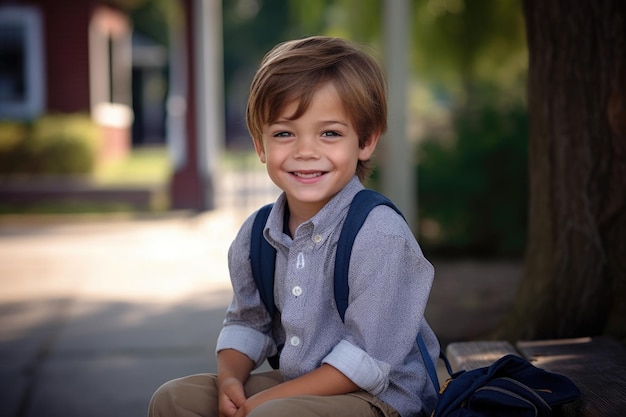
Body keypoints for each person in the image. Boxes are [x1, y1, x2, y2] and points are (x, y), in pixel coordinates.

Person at [148, 35, 440, 417]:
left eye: (330, 133)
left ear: (365, 141)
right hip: (299, 384)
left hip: (381, 397)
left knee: (271, 415)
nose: (306, 151)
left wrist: (264, 401)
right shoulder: (257, 235)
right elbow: (247, 322)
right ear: (260, 145)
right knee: (174, 400)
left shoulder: (378, 234)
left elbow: (364, 363)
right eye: (285, 133)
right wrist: (231, 380)